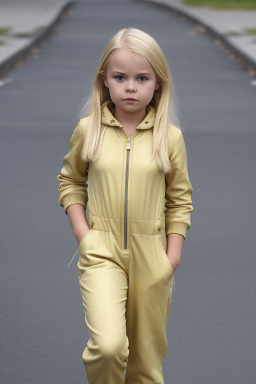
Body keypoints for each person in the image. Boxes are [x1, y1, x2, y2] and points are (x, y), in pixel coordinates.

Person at [57, 28, 193, 384]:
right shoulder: (89, 130)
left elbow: (180, 201)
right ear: (105, 80)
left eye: (141, 78)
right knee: (108, 347)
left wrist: (170, 258)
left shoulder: (170, 137)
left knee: (145, 365)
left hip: (153, 257)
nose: (130, 86)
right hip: (101, 251)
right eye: (120, 77)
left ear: (158, 84)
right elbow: (70, 181)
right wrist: (84, 233)